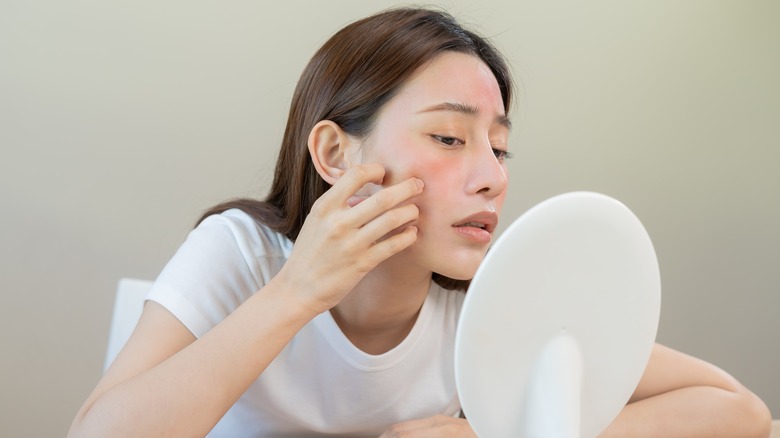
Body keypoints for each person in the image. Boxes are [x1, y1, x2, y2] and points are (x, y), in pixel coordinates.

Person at [69, 7, 771, 438]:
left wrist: (505, 435)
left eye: (499, 146)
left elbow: (740, 413)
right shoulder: (241, 254)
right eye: (448, 138)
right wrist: (296, 294)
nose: (492, 174)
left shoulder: (492, 304)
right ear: (336, 153)